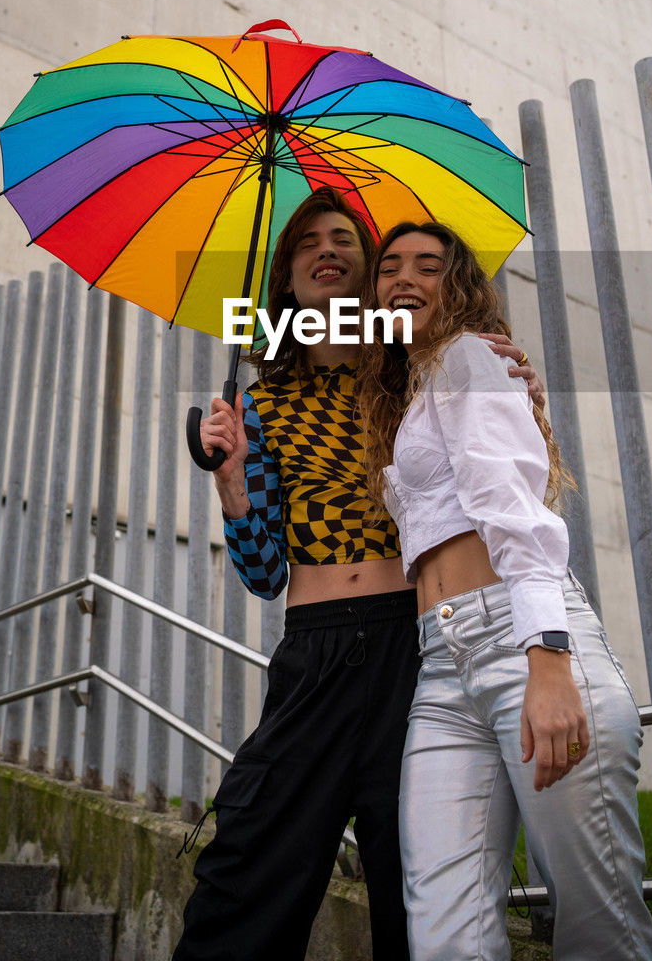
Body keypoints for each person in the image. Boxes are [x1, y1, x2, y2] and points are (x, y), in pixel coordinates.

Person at [171, 188, 543, 961]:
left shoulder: (415, 376)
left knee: (415, 878)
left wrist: (521, 388)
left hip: (415, 648)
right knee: (247, 861)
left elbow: (499, 462)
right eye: (307, 242)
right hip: (312, 653)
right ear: (286, 279)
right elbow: (264, 571)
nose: (326, 250)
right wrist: (231, 477)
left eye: (343, 239)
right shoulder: (259, 403)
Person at [357, 220, 652, 961]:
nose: (403, 277)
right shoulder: (413, 392)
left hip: (523, 643)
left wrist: (547, 657)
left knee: (597, 927)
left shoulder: (467, 359)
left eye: (427, 266)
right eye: (389, 266)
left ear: (457, 287)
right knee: (441, 925)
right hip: (441, 663)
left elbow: (516, 515)